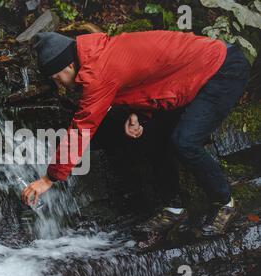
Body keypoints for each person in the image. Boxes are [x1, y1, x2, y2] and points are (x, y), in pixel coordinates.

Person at [21, 30, 251, 236]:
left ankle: (225, 203)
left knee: (185, 141)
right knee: (151, 134)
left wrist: (49, 178)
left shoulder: (98, 71)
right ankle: (173, 208)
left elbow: (82, 128)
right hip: (191, 77)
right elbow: (153, 76)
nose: (59, 84)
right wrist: (138, 113)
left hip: (221, 69)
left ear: (68, 66)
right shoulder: (98, 54)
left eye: (55, 78)